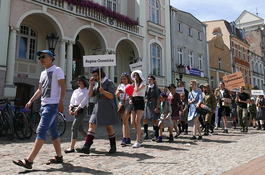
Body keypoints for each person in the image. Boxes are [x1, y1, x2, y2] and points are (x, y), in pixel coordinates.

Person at [13, 50, 66, 169]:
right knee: (53, 132)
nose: (41, 59)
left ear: (51, 58)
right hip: (44, 106)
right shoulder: (43, 73)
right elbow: (40, 90)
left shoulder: (57, 70)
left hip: (52, 106)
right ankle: (59, 156)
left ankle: (29, 161)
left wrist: (61, 101)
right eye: (40, 57)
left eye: (43, 56)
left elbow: (63, 86)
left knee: (40, 130)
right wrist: (31, 100)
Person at [76, 67, 120, 154]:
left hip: (107, 106)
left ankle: (113, 146)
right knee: (92, 124)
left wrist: (103, 92)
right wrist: (91, 84)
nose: (95, 77)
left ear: (101, 74)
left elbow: (112, 96)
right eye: (94, 76)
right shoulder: (97, 83)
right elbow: (90, 94)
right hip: (97, 105)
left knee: (108, 126)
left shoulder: (109, 83)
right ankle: (87, 146)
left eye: (96, 75)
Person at [65, 75, 89, 153]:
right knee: (80, 128)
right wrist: (70, 109)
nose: (78, 82)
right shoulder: (75, 91)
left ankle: (71, 147)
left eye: (80, 80)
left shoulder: (86, 91)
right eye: (77, 80)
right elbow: (72, 101)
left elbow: (83, 102)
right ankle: (89, 140)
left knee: (74, 127)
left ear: (84, 82)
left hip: (81, 110)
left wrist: (77, 110)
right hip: (75, 109)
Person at [130, 70, 146, 148]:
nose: (135, 77)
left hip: (140, 100)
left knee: (137, 120)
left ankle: (138, 140)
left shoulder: (143, 83)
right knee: (132, 122)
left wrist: (135, 83)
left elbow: (137, 90)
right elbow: (132, 93)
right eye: (134, 75)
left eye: (136, 75)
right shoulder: (133, 84)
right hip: (134, 100)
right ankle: (142, 133)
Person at [116, 72, 132, 146]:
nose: (123, 80)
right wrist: (119, 93)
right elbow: (115, 96)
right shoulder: (120, 86)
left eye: (124, 79)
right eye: (122, 79)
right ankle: (127, 138)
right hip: (121, 103)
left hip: (129, 102)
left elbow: (133, 95)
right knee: (124, 122)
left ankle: (124, 138)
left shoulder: (131, 85)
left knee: (125, 119)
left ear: (128, 79)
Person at [142, 75, 160, 141]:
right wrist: (145, 99)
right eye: (148, 79)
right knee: (144, 118)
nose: (149, 80)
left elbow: (158, 98)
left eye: (150, 79)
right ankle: (146, 133)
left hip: (153, 103)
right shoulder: (147, 87)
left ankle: (156, 134)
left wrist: (157, 107)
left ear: (153, 80)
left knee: (154, 119)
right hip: (147, 104)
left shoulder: (155, 88)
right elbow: (146, 95)